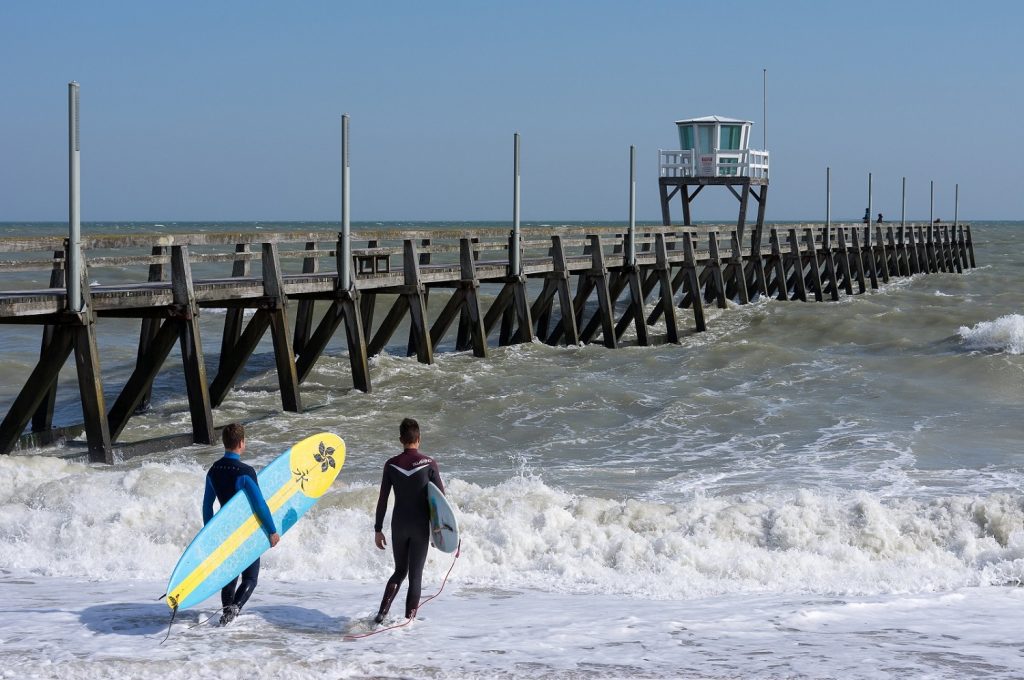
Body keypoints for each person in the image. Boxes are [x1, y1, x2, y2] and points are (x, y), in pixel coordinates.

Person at [202, 422, 280, 626]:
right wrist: (272, 530)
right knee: (250, 579)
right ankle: (234, 611)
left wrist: (208, 532)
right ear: (241, 443)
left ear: (225, 442)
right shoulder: (245, 472)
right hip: (245, 532)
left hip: (223, 531)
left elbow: (207, 505)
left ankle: (226, 613)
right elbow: (259, 504)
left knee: (229, 575)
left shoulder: (213, 470)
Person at [372, 417, 445, 624]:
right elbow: (441, 501)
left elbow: (383, 499)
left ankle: (382, 614)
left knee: (400, 570)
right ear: (418, 439)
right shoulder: (429, 464)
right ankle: (408, 621)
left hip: (399, 526)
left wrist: (378, 529)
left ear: (400, 439)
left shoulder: (391, 465)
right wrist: (440, 530)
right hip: (420, 526)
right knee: (415, 576)